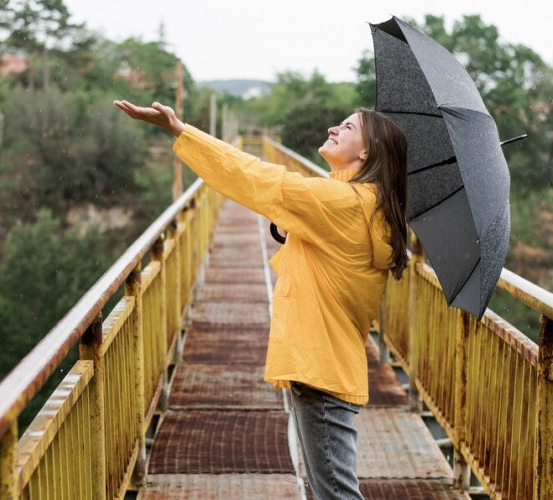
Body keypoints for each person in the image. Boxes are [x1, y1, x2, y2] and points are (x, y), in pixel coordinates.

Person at [114, 99, 408, 499]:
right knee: (329, 488)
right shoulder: (364, 205)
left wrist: (181, 131)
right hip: (328, 363)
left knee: (336, 493)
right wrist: (293, 226)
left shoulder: (343, 203)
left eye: (347, 127)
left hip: (320, 367)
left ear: (366, 151)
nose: (332, 130)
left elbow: (256, 176)